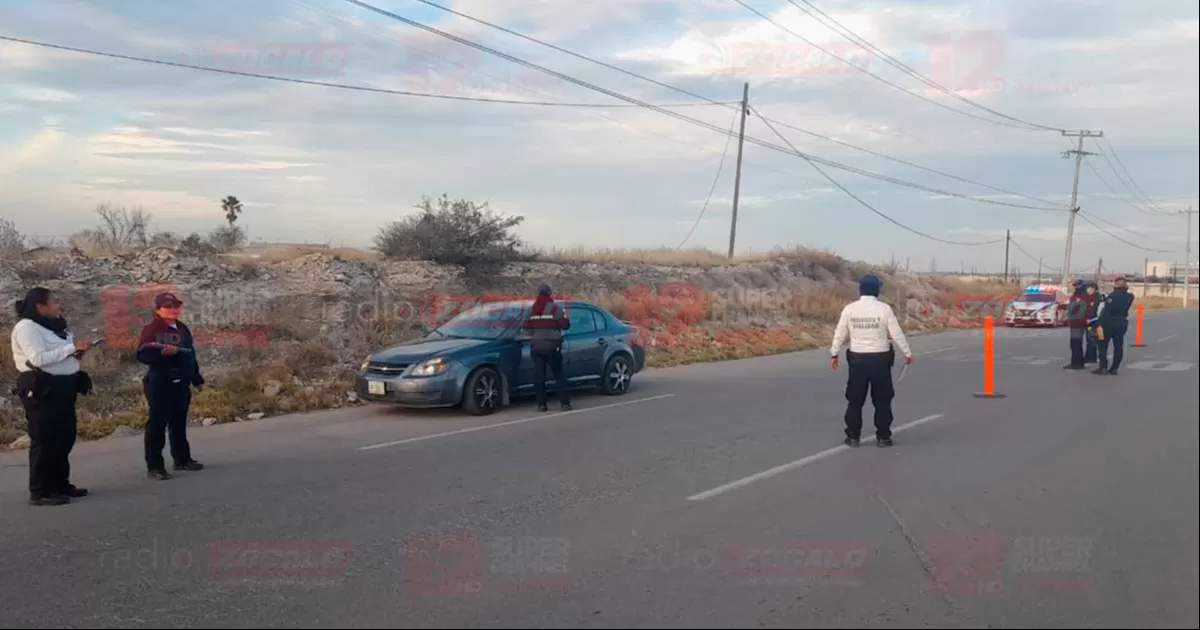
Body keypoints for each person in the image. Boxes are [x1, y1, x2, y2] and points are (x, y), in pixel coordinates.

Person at [9, 288, 92, 505]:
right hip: (42, 389)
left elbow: (60, 353)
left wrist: (75, 352)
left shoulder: (56, 326)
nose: (58, 306)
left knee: (65, 436)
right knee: (45, 438)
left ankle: (59, 484)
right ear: (40, 306)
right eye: (54, 302)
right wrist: (70, 348)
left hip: (64, 387)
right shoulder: (27, 327)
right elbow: (37, 358)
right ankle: (40, 491)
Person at [830, 275, 913, 448]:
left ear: (861, 290)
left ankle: (853, 436)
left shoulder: (850, 309)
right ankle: (883, 436)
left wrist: (834, 354)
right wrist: (907, 352)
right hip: (880, 361)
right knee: (882, 400)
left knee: (855, 400)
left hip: (858, 360)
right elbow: (895, 333)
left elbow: (840, 333)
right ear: (877, 290)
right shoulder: (884, 309)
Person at [136, 292, 204, 479]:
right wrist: (162, 355)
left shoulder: (182, 328)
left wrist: (196, 378)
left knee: (179, 422)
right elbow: (142, 355)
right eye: (168, 306)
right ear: (158, 310)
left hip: (181, 381)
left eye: (176, 306)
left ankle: (182, 459)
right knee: (157, 424)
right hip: (160, 382)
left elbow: (190, 354)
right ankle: (155, 466)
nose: (173, 310)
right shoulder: (152, 329)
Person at [522, 284, 571, 412]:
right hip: (552, 347)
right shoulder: (556, 309)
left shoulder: (531, 309)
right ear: (549, 294)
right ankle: (565, 404)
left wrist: (535, 334)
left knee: (539, 377)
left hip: (536, 347)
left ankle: (541, 405)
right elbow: (565, 325)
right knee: (559, 375)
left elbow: (525, 327)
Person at [1094, 276, 1135, 375]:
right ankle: (1115, 368)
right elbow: (1127, 293)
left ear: (1115, 285)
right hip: (1122, 322)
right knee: (1118, 345)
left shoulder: (1112, 297)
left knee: (1102, 345)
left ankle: (1103, 367)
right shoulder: (1130, 296)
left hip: (1109, 322)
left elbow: (1106, 312)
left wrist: (1099, 323)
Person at [1063, 280, 1092, 370]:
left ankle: (1076, 363)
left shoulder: (1081, 297)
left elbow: (1076, 309)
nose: (1075, 288)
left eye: (1077, 286)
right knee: (1076, 343)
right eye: (1074, 286)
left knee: (1075, 343)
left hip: (1078, 322)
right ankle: (1079, 362)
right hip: (1076, 322)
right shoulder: (1077, 296)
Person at [1083, 282, 1101, 364]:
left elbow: (1097, 310)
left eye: (1090, 288)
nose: (1088, 290)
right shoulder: (1087, 297)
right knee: (1089, 339)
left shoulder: (1097, 297)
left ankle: (1091, 357)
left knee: (1092, 339)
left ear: (1094, 289)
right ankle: (1090, 356)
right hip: (1087, 320)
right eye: (1087, 288)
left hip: (1095, 321)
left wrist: (1091, 319)